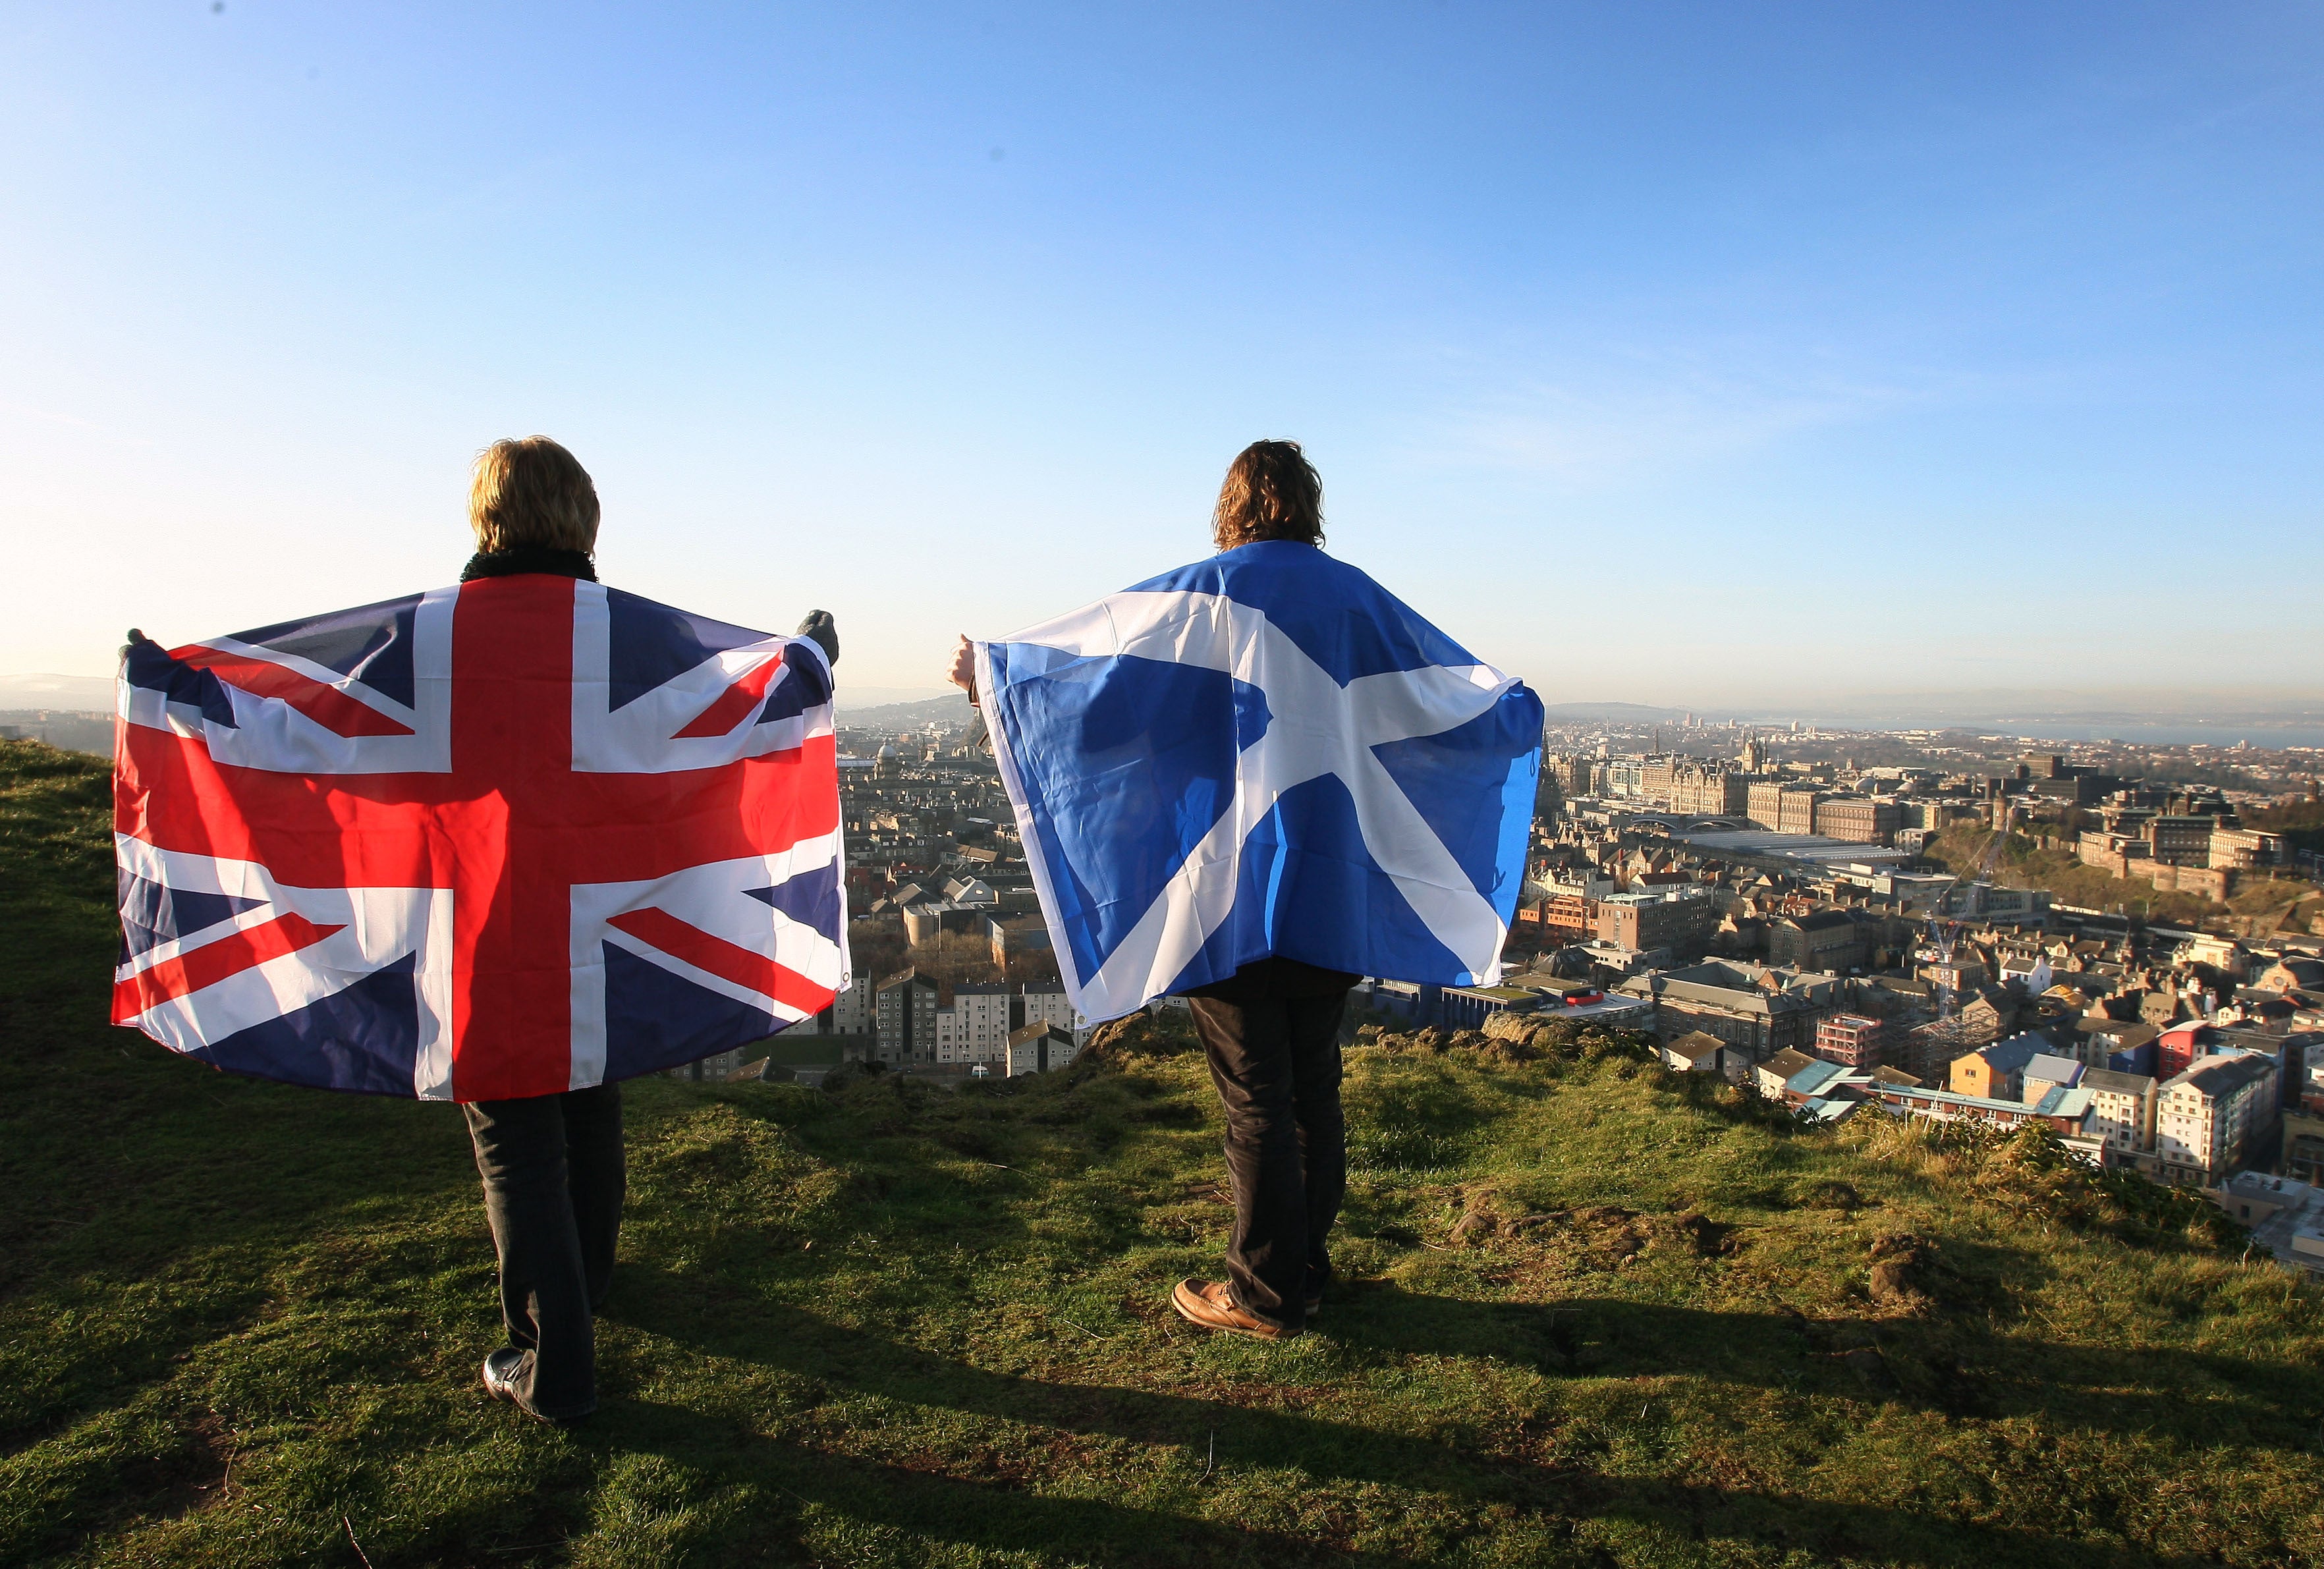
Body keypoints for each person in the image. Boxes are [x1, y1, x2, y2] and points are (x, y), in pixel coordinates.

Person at [460, 437, 839, 1418]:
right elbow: (721, 709)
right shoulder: (618, 638)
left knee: (517, 1139)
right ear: (582, 518)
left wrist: (178, 693)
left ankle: (556, 1363)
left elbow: (312, 724)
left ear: (487, 516)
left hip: (489, 924)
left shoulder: (440, 638)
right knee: (587, 1097)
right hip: (603, 921)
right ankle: (590, 1285)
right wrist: (802, 662)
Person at [945, 439, 1352, 1342]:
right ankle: (1307, 1265)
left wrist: (995, 685)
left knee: (1256, 1091)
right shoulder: (1351, 601)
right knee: (1312, 1084)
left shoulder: (1207, 597)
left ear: (1234, 507)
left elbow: (1104, 696)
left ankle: (1266, 1294)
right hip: (1331, 882)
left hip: (1234, 884)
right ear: (1308, 506)